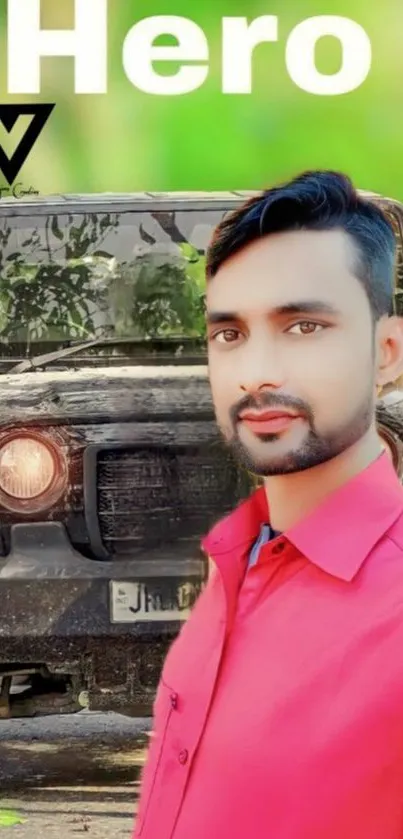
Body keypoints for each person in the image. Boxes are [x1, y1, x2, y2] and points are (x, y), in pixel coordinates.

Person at [133, 171, 403, 839]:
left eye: (302, 325)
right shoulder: (233, 567)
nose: (256, 372)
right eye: (229, 334)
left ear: (385, 352)